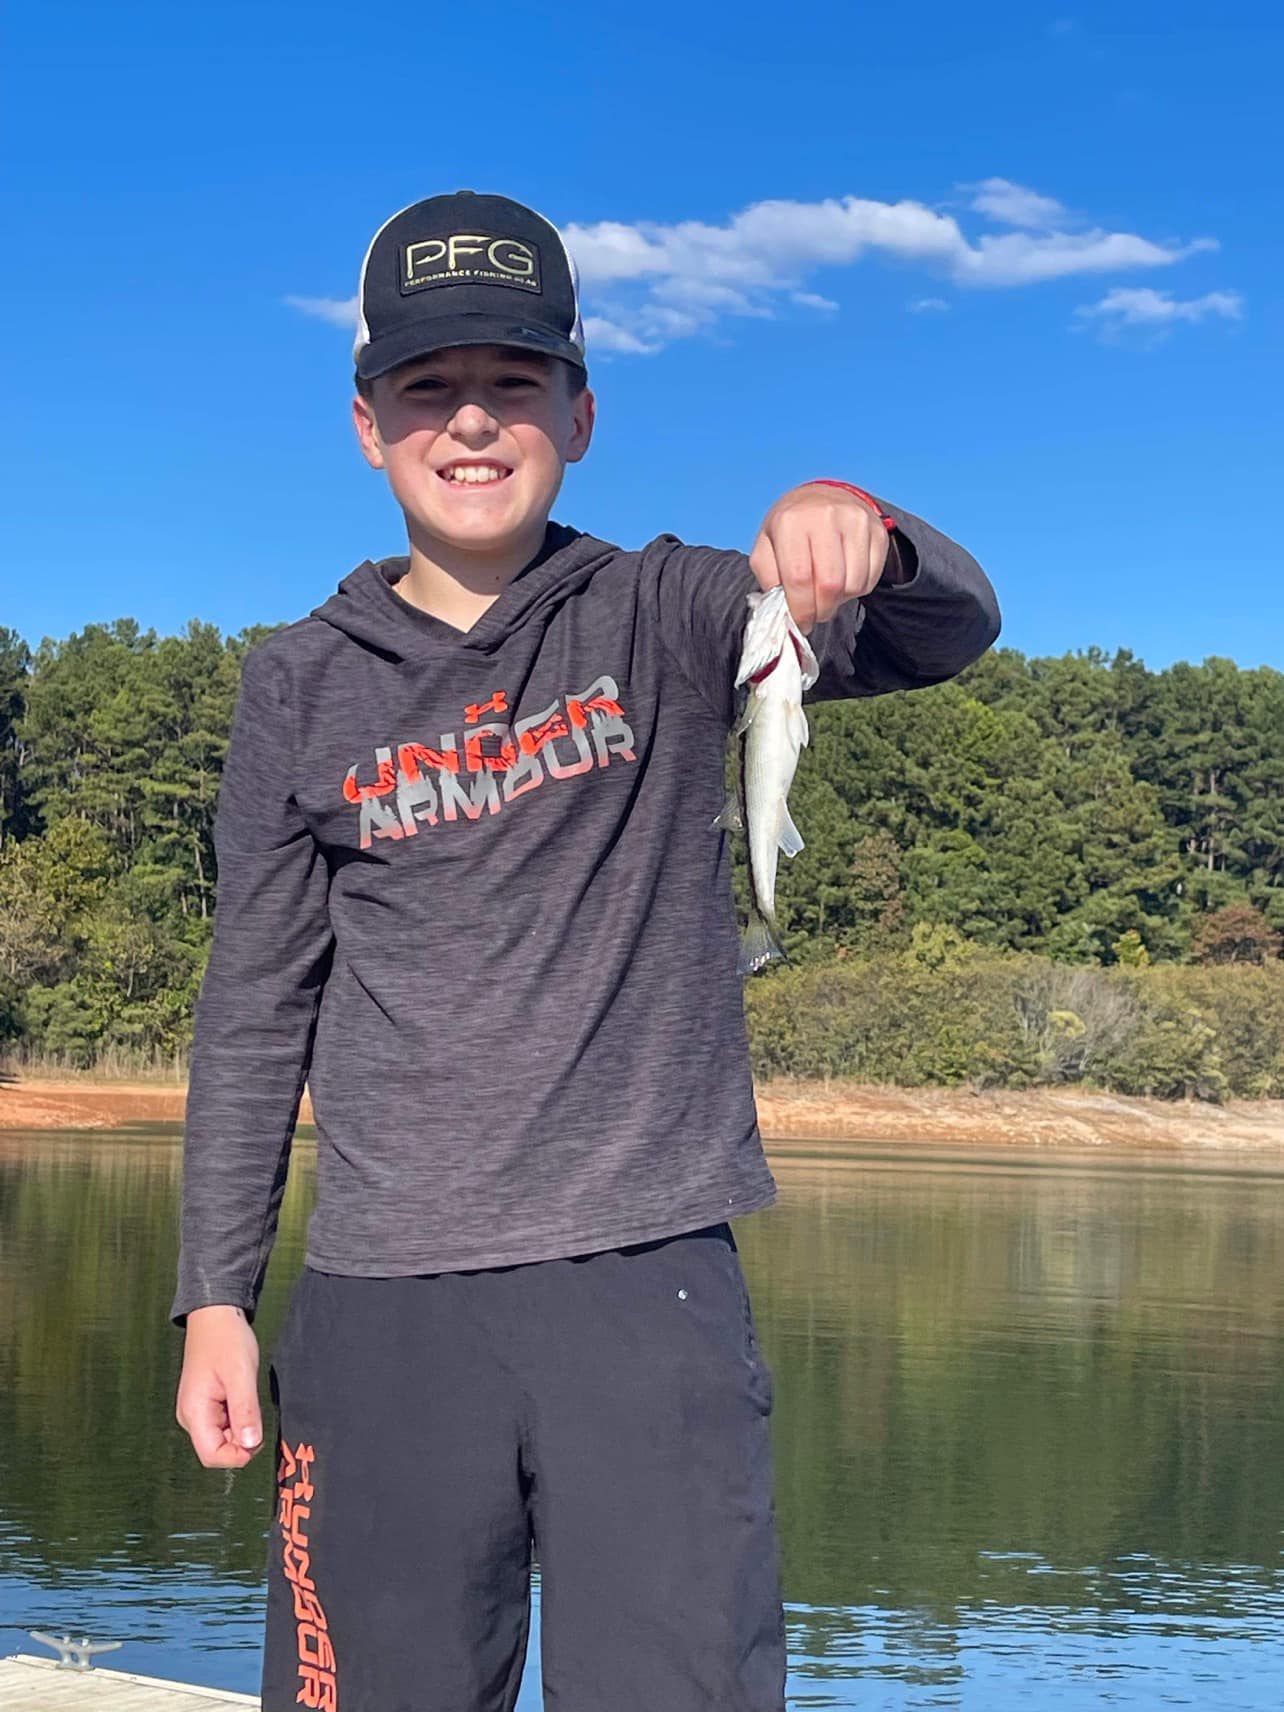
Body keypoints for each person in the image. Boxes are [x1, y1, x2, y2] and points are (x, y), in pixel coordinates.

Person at [172, 189, 1001, 1712]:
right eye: (427, 385)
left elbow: (947, 628)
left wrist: (858, 527)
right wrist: (214, 1295)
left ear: (581, 414)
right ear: (366, 426)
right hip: (382, 1304)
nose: (471, 419)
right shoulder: (296, 685)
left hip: (648, 1283)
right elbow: (253, 1007)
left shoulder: (675, 611)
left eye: (515, 380)